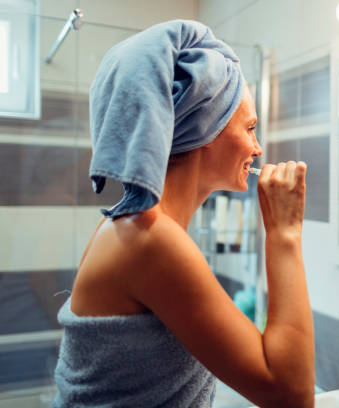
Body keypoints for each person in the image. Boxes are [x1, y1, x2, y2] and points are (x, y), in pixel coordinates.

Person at [52, 20, 314, 407]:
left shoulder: (140, 228)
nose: (258, 149)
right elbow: (292, 395)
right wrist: (284, 233)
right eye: (250, 128)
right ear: (207, 128)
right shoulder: (150, 239)